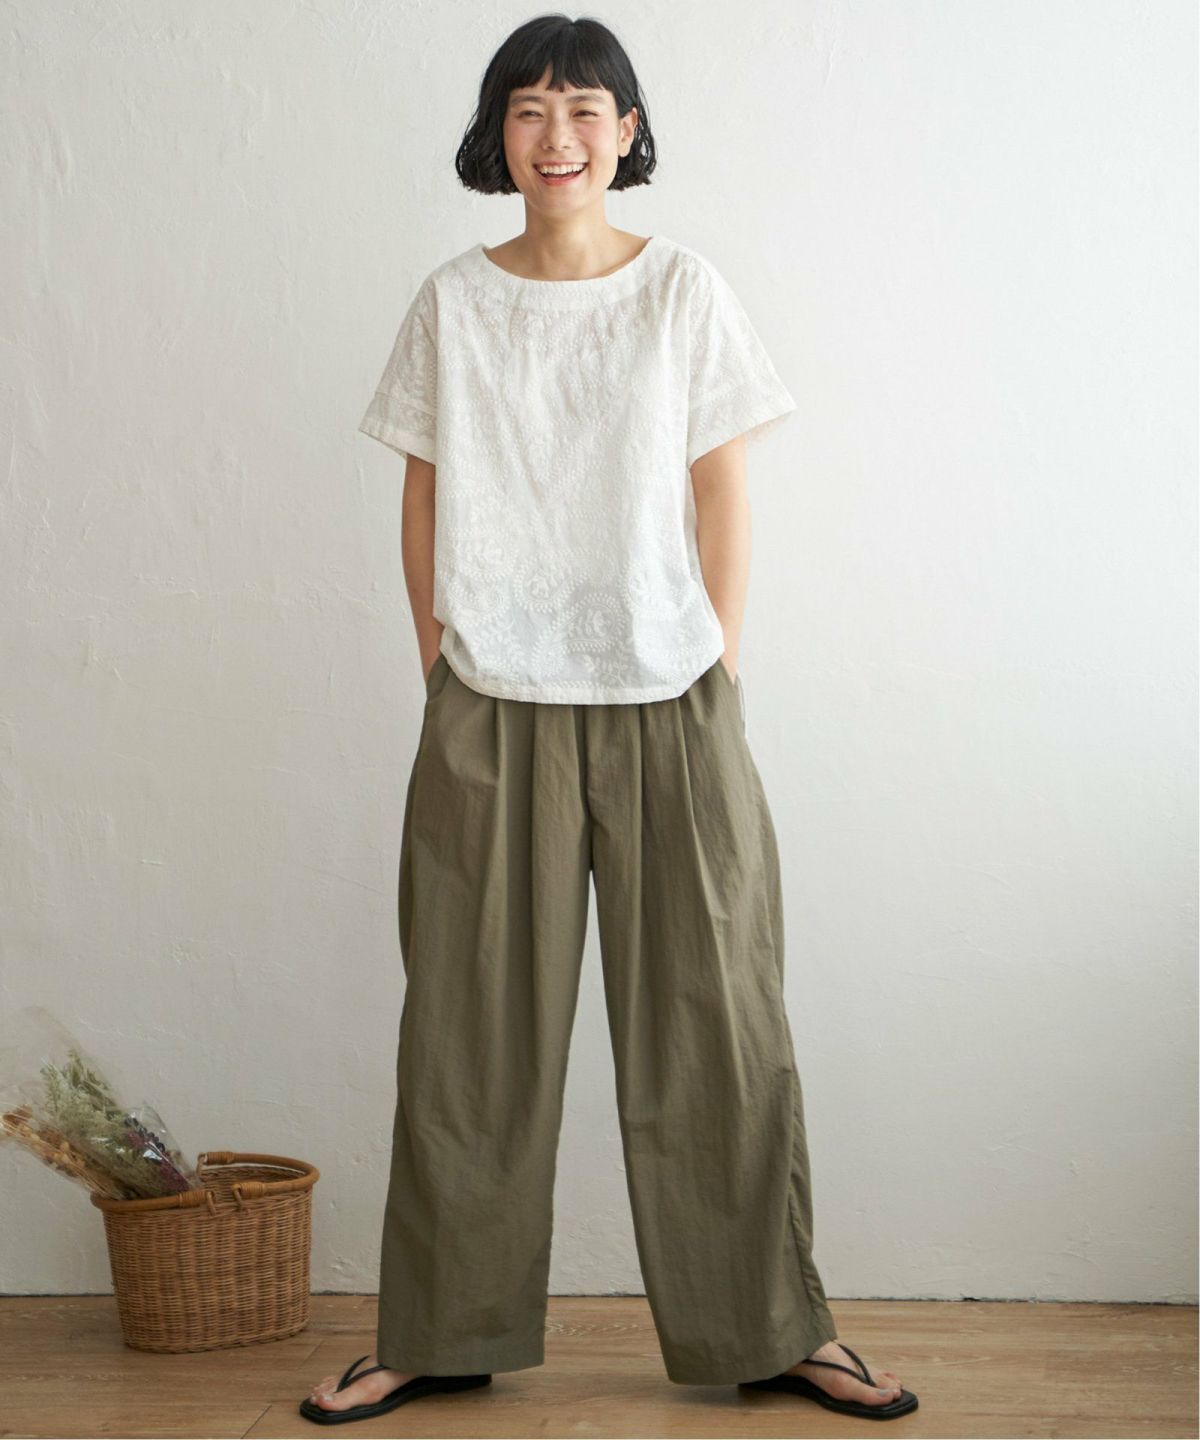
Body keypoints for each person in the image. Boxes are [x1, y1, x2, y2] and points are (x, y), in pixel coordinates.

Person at [301, 13, 917, 1427]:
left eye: (585, 108)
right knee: (466, 1033)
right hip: (492, 702)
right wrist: (440, 664)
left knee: (720, 1024)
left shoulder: (684, 290)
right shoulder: (453, 302)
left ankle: (777, 1328)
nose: (558, 135)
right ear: (497, 135)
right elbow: (422, 493)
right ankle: (436, 1331)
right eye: (528, 109)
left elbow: (722, 483)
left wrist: (720, 662)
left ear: (628, 131)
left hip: (671, 698)